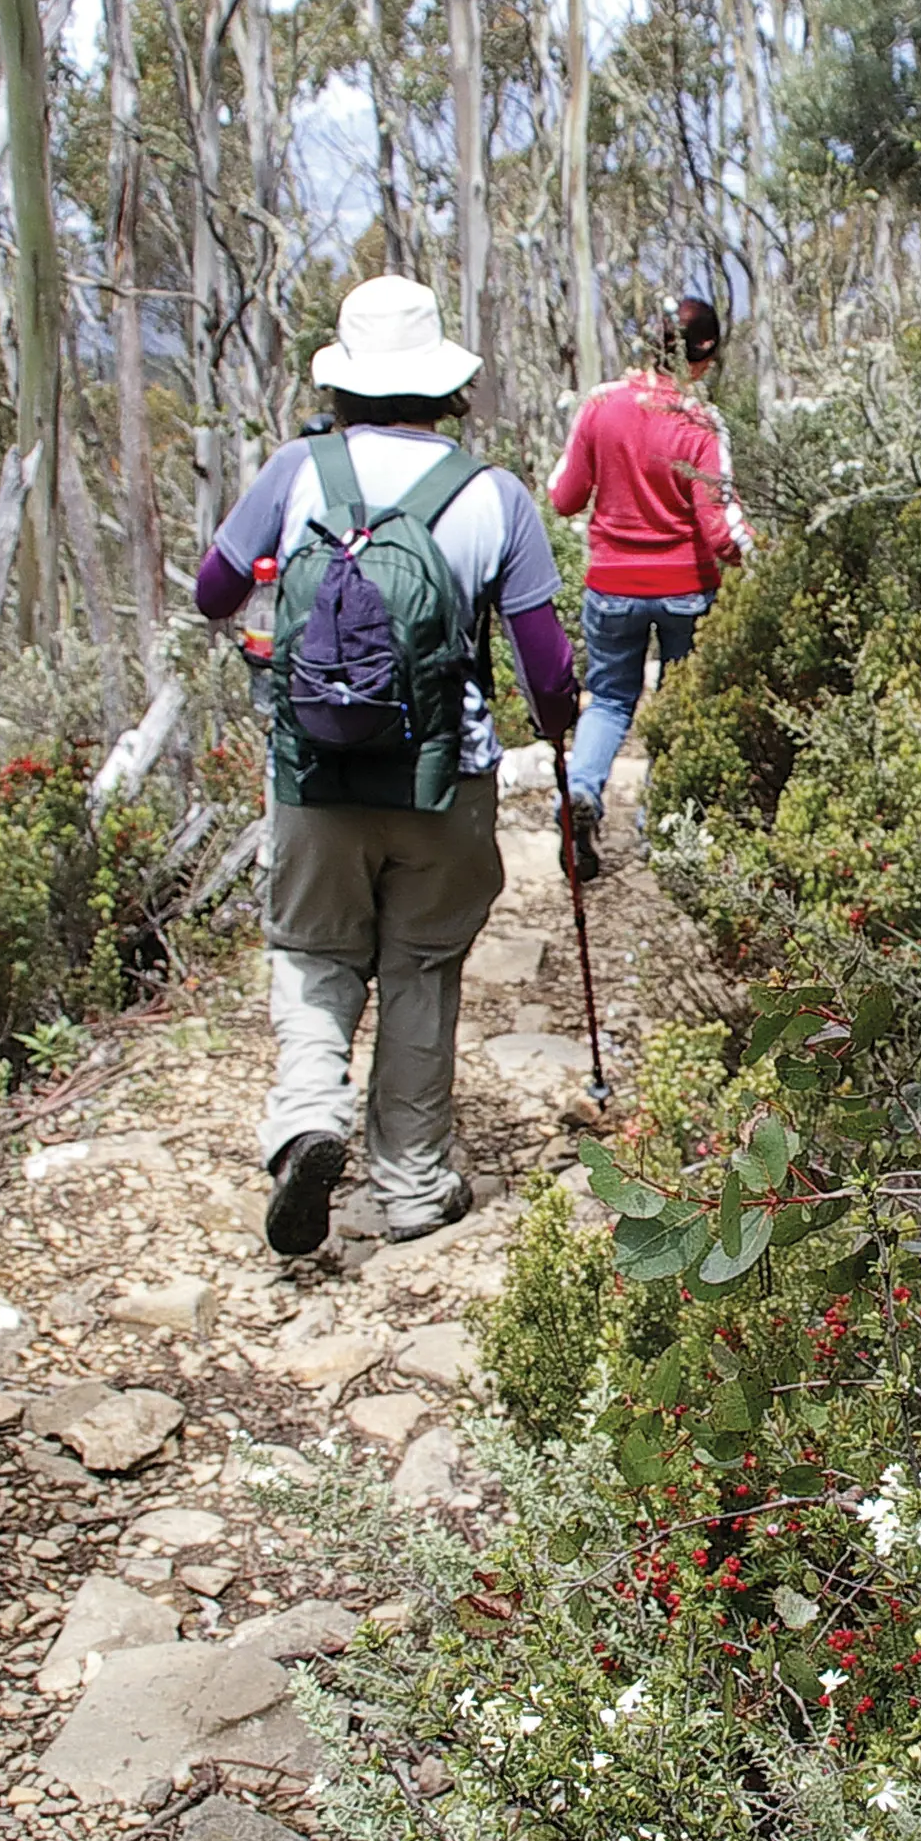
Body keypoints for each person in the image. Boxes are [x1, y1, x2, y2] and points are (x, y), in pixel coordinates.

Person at [195, 275, 582, 1257]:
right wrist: (567, 734)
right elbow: (546, 675)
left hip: (315, 780)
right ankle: (412, 1186)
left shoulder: (296, 470)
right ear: (443, 385)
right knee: (420, 967)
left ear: (344, 385)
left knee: (316, 955)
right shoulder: (494, 498)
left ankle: (308, 1119)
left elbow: (212, 591)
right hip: (442, 785)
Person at [544, 295, 754, 878]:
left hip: (612, 583)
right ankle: (659, 828)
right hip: (688, 587)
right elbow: (720, 526)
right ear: (703, 357)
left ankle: (580, 794)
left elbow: (563, 496)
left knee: (610, 698)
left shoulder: (600, 407)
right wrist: (755, 563)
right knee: (678, 705)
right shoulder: (700, 422)